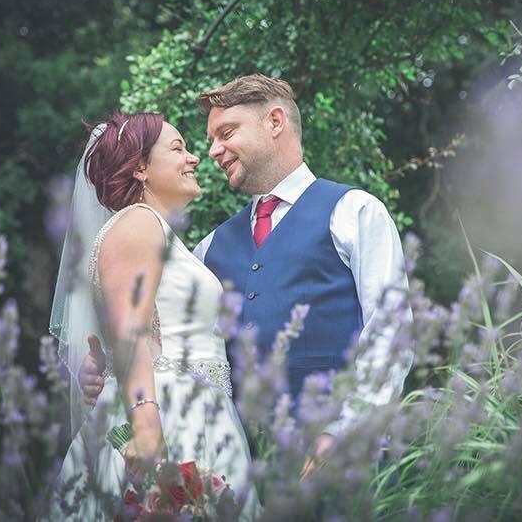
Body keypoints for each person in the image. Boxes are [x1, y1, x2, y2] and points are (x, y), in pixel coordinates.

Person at [79, 74, 413, 478]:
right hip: (237, 467)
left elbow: (391, 333)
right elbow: (157, 333)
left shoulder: (354, 211)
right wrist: (110, 372)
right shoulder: (207, 248)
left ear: (274, 122)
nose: (212, 152)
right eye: (208, 140)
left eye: (226, 133)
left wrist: (342, 432)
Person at [47, 113, 257, 520]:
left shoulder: (154, 231)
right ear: (140, 167)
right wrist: (145, 431)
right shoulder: (137, 224)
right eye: (178, 148)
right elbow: (132, 330)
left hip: (188, 407)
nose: (194, 157)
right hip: (165, 414)